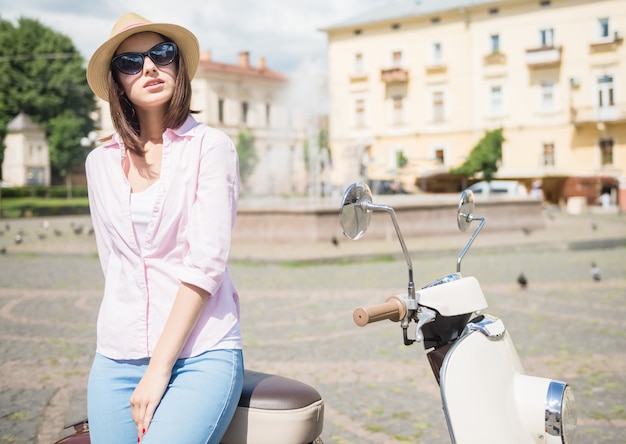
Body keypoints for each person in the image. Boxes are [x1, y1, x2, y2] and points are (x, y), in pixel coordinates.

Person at [84, 12, 243, 444]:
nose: (149, 67)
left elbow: (205, 264)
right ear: (118, 83)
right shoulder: (98, 163)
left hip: (201, 349)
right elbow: (112, 261)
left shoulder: (211, 148)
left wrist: (159, 369)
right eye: (131, 62)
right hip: (116, 353)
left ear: (178, 65)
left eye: (161, 54)